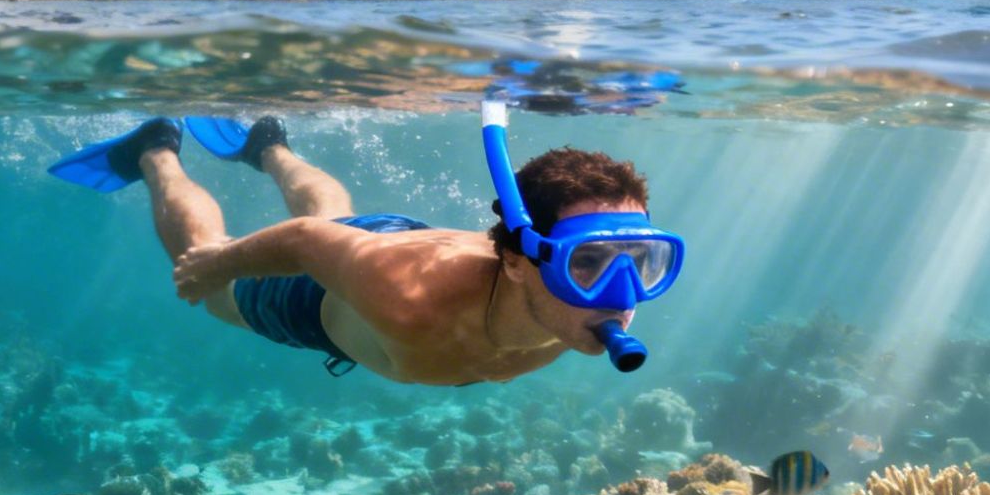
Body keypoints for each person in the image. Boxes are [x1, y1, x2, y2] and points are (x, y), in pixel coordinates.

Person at [48, 113, 683, 384]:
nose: (625, 296)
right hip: (346, 282)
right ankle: (155, 149)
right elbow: (303, 242)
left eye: (643, 261)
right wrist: (217, 264)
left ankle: (269, 144)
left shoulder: (575, 312)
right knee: (216, 274)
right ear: (518, 260)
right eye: (589, 263)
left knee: (339, 220)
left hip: (385, 247)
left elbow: (331, 237)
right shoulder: (408, 299)